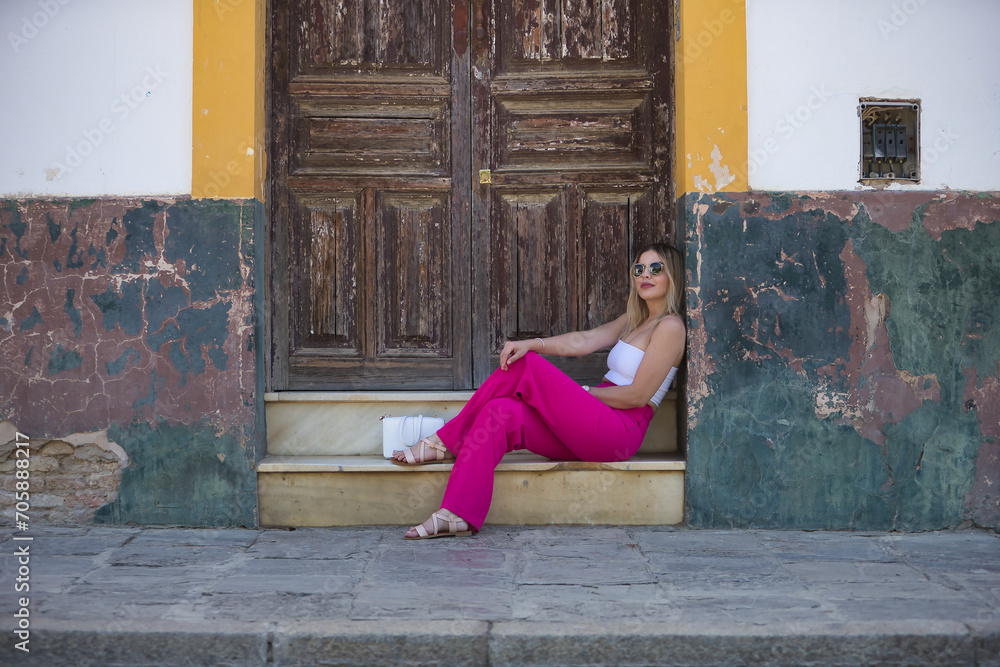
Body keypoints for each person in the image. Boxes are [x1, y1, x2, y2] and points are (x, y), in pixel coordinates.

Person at [391, 242, 686, 539]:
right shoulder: (635, 320)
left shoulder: (670, 326)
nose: (645, 275)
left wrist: (582, 393)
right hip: (589, 426)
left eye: (656, 268)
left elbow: (637, 396)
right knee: (499, 412)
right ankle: (457, 514)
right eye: (639, 269)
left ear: (671, 276)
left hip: (618, 429)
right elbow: (583, 341)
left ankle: (444, 442)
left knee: (525, 366)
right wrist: (535, 343)